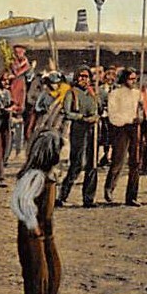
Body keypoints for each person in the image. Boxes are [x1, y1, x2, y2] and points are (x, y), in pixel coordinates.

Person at [11, 129, 63, 294]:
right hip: (32, 231)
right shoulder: (34, 177)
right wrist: (32, 224)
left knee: (48, 266)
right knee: (35, 268)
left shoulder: (47, 175)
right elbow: (22, 201)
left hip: (45, 230)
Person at [57, 65, 100, 208]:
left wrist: (96, 116)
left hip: (92, 129)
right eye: (81, 76)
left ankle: (88, 198)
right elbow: (67, 112)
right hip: (79, 128)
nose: (84, 79)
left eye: (86, 76)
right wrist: (82, 117)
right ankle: (62, 195)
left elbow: (99, 108)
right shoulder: (72, 93)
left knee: (92, 163)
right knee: (77, 164)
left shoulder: (93, 93)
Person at [103, 67, 143, 206]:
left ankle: (132, 195)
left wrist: (140, 115)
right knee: (118, 160)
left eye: (135, 79)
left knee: (135, 162)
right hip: (121, 128)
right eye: (130, 79)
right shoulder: (115, 94)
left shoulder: (138, 94)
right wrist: (128, 119)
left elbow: (142, 111)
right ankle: (109, 188)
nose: (133, 81)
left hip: (135, 128)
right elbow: (113, 115)